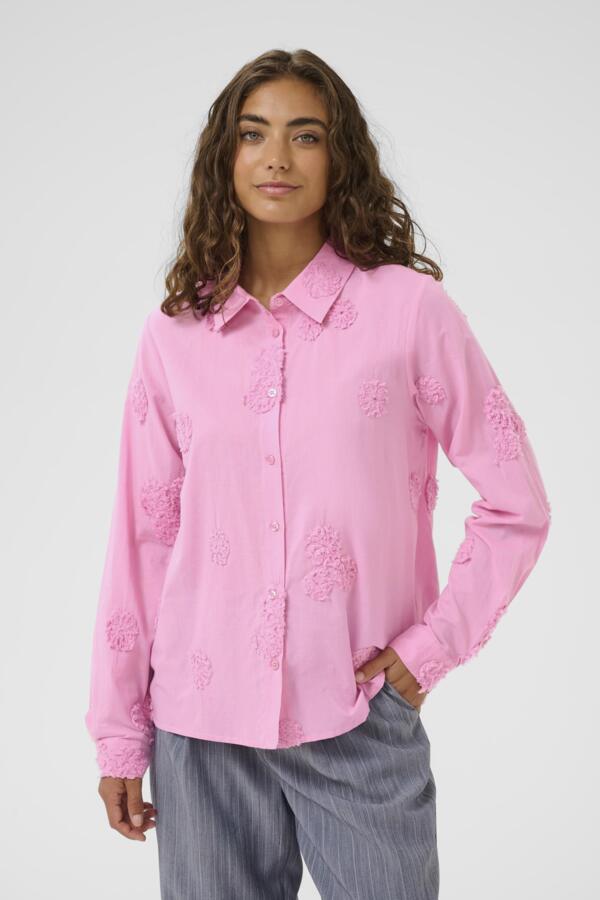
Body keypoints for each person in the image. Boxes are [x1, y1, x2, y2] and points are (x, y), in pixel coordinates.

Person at [84, 48, 552, 900]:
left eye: (306, 135)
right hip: (200, 727)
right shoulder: (174, 336)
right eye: (253, 134)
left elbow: (516, 502)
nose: (277, 158)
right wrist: (121, 732)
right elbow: (143, 539)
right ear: (224, 157)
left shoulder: (408, 312)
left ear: (340, 158)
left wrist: (429, 650)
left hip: (355, 713)